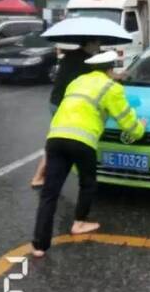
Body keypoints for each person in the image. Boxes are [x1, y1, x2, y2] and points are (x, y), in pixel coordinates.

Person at [32, 51, 146, 257]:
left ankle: (39, 245)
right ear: (111, 69)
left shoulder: (77, 82)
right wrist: (140, 128)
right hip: (82, 141)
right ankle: (79, 223)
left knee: (50, 192)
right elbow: (128, 122)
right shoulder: (112, 88)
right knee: (88, 183)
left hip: (56, 137)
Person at [30, 39, 101, 188]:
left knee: (58, 138)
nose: (99, 46)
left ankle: (53, 171)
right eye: (97, 43)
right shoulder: (84, 60)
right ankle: (39, 176)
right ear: (90, 44)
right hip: (64, 103)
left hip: (56, 100)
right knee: (59, 139)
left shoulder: (71, 55)